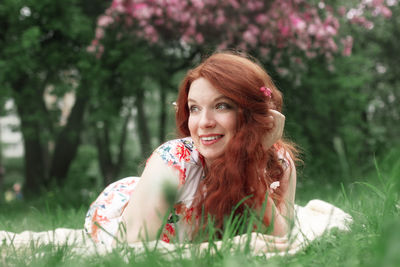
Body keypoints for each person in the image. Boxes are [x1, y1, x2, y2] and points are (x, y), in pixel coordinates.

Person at [84, 51, 298, 246]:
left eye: (221, 106)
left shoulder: (279, 161)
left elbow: (280, 242)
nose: (204, 122)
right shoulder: (173, 160)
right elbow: (129, 249)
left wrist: (250, 162)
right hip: (121, 211)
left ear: (253, 113)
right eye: (194, 108)